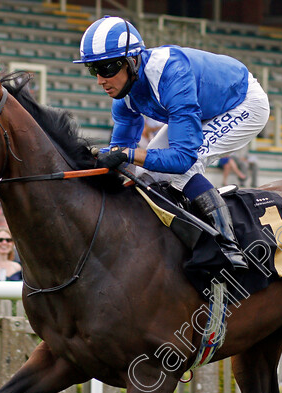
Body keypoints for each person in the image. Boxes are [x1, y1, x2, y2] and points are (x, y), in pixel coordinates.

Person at [78, 16, 269, 270]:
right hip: (203, 107)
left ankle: (228, 246)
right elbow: (121, 156)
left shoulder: (170, 74)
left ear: (132, 61)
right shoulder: (123, 96)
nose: (100, 79)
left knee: (185, 167)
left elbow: (181, 159)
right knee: (146, 171)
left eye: (106, 68)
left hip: (243, 103)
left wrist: (125, 154)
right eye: (94, 69)